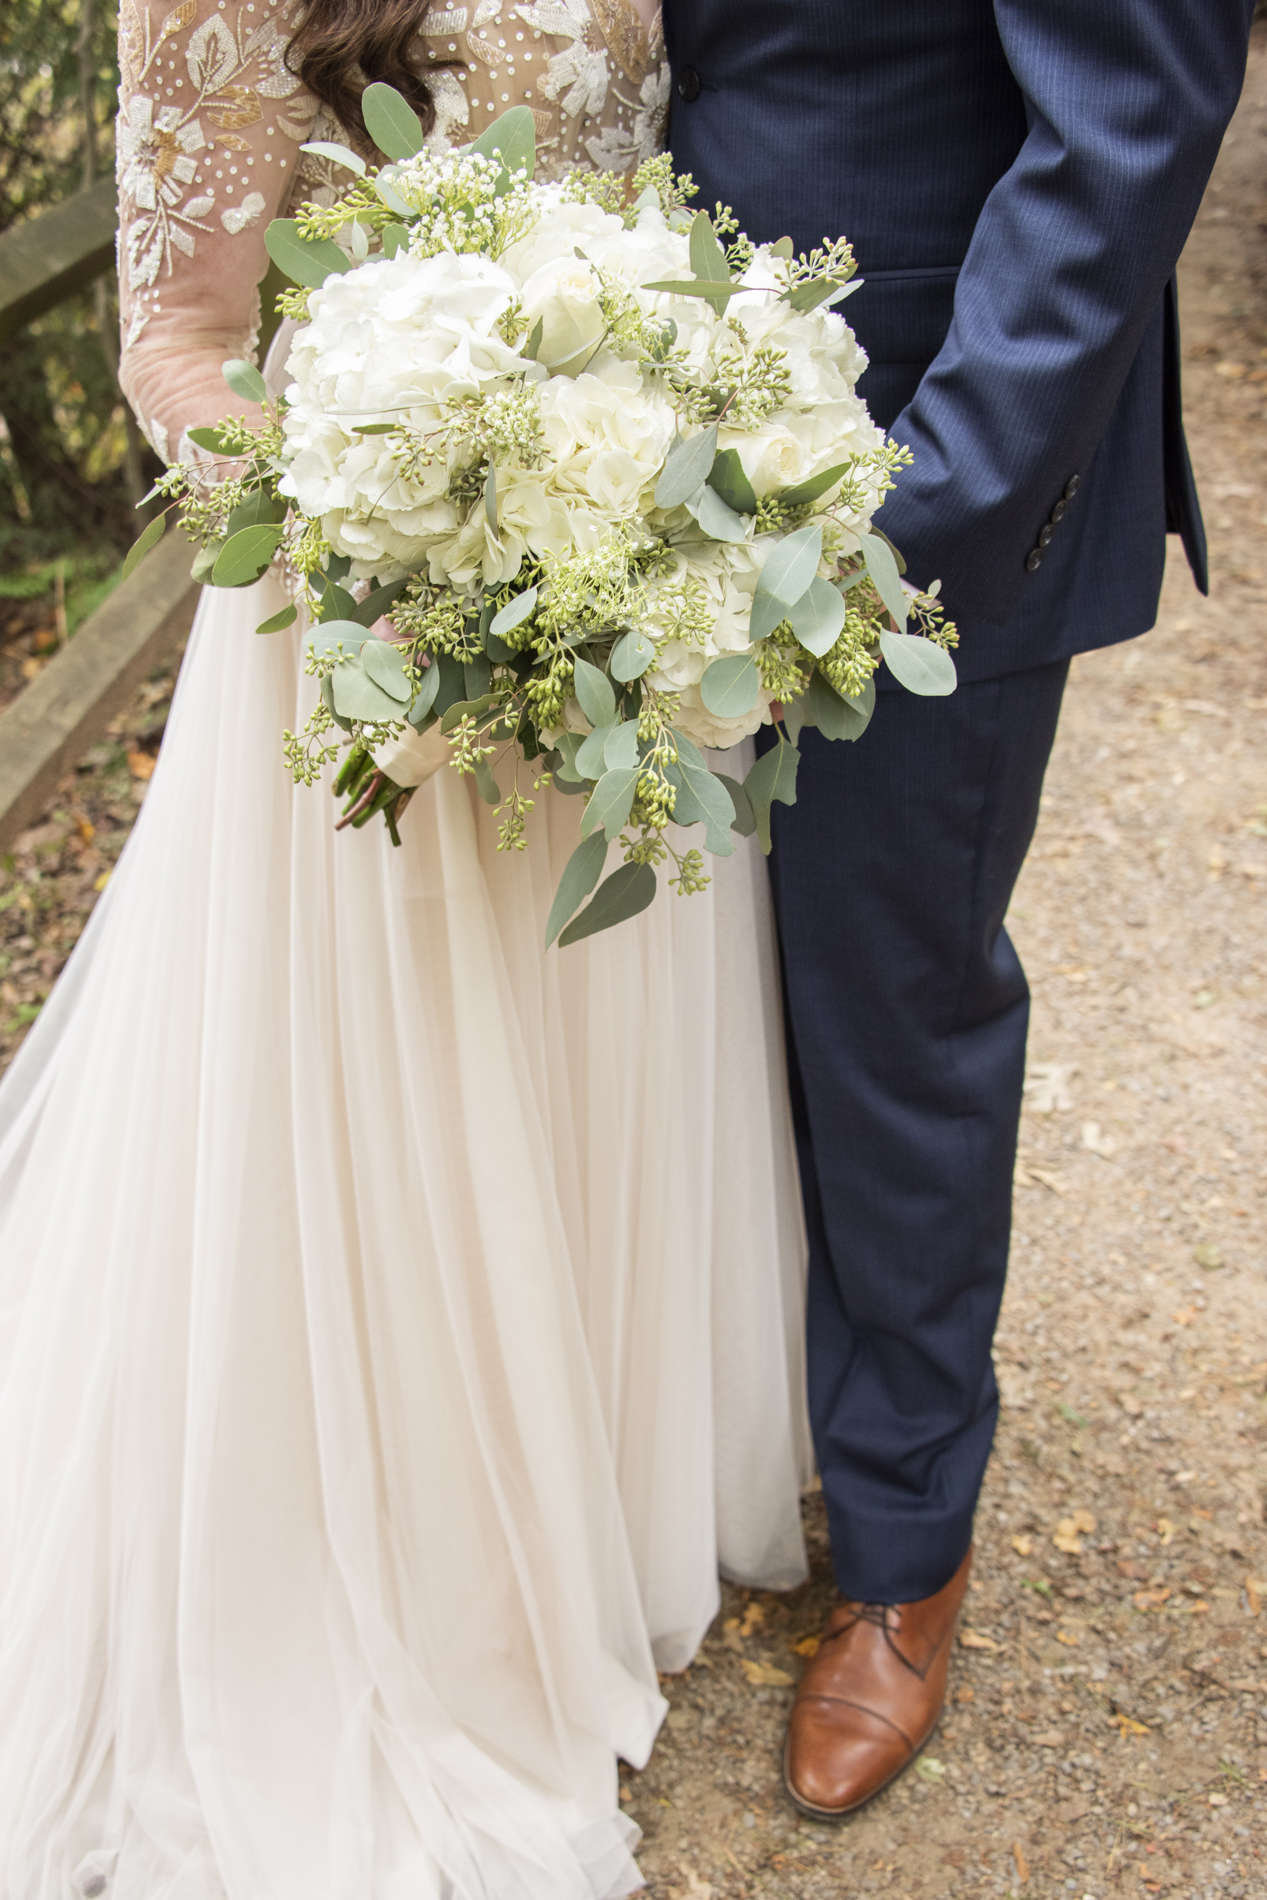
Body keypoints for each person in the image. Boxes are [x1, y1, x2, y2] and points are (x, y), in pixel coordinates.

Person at [0, 3, 814, 1892]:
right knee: (388, 1112)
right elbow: (184, 344)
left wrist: (672, 468)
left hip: (616, 603)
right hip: (377, 649)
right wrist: (412, 555)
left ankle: (586, 1510)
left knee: (590, 1037)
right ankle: (410, 1569)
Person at [664, 0, 1256, 1820]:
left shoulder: (916, 504)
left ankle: (907, 1547)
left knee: (883, 1003)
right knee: (672, 993)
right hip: (629, 438)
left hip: (917, 453)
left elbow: (1124, 124)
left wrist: (911, 519)